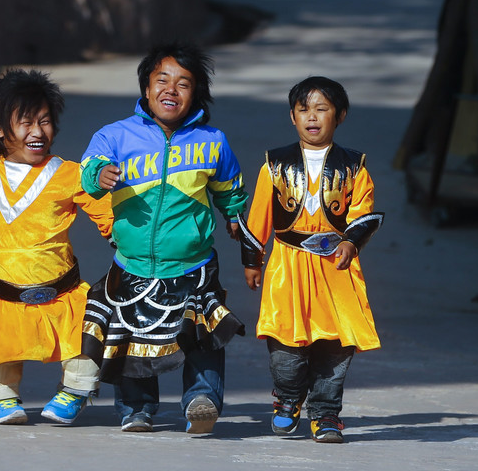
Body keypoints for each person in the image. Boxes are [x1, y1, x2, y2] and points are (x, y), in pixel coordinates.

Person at [79, 42, 248, 434]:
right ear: (146, 87)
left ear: (196, 94)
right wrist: (99, 176)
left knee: (202, 335)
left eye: (183, 83)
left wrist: (236, 219)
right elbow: (89, 168)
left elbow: (230, 191)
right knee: (131, 336)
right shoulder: (115, 135)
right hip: (133, 263)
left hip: (195, 263)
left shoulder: (213, 141)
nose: (171, 90)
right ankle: (136, 408)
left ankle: (202, 399)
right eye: (162, 80)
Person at [0, 69, 114, 426]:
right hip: (4, 295)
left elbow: (109, 217)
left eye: (45, 121)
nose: (37, 132)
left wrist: (128, 242)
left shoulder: (70, 173)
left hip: (62, 292)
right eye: (25, 122)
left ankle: (74, 391)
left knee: (84, 343)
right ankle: (1, 398)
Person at [237, 76, 384, 443]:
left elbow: (363, 211)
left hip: (336, 267)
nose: (312, 117)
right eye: (304, 109)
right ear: (292, 117)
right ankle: (287, 400)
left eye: (322, 109)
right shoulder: (275, 164)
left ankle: (326, 414)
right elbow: (258, 217)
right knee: (284, 345)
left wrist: (351, 241)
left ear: (340, 115)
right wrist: (252, 260)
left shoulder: (354, 166)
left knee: (335, 346)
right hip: (287, 265)